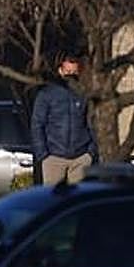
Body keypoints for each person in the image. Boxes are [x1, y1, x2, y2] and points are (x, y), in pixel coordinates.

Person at [31, 50, 98, 185]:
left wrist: (90, 153)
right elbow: (37, 124)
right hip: (54, 158)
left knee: (78, 202)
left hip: (81, 157)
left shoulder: (83, 93)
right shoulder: (47, 94)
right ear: (60, 70)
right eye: (68, 72)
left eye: (74, 73)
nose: (70, 76)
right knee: (53, 201)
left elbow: (91, 122)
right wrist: (43, 155)